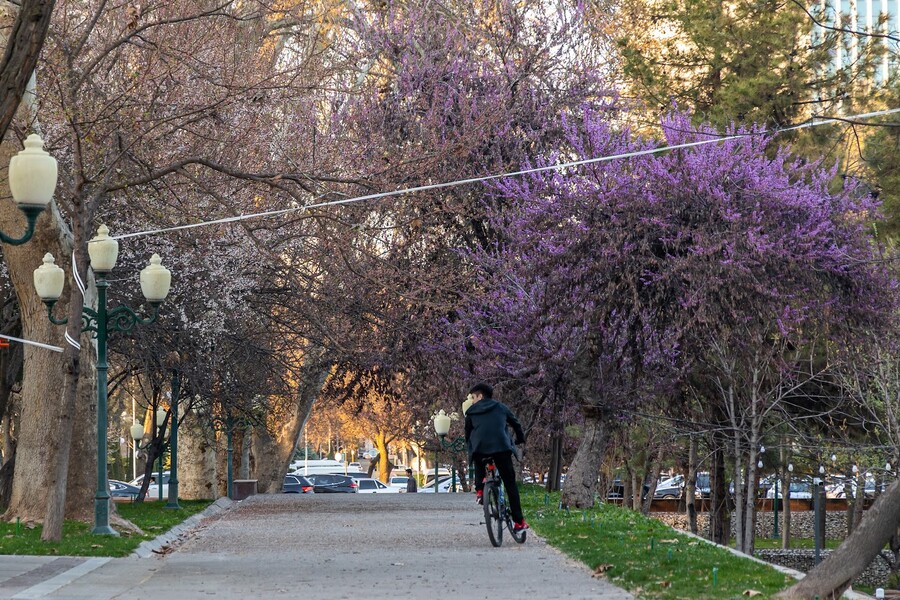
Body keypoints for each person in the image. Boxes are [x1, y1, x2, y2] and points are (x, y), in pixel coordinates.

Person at [464, 382, 528, 532]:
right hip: (501, 449)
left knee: (479, 459)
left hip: (480, 450)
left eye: (473, 397)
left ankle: (479, 490)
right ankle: (519, 522)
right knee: (510, 484)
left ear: (480, 396)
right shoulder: (501, 407)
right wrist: (520, 439)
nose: (472, 401)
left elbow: (468, 434)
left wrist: (472, 447)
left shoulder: (471, 412)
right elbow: (516, 423)